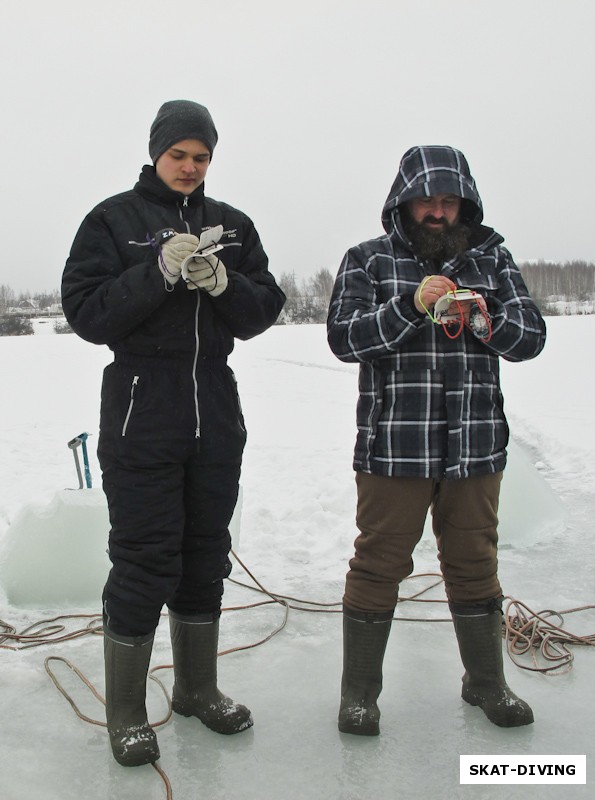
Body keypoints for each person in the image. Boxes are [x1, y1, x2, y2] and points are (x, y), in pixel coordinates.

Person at [61, 100, 285, 766]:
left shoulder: (234, 226)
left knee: (205, 553)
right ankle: (127, 712)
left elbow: (262, 309)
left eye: (202, 156)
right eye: (179, 154)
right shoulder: (114, 220)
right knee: (144, 559)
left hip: (214, 408)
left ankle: (197, 689)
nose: (190, 167)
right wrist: (155, 273)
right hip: (140, 406)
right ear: (157, 152)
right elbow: (86, 311)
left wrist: (224, 283)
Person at [327, 145, 545, 736]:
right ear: (404, 202)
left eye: (450, 201)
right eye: (427, 200)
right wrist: (410, 305)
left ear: (465, 205)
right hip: (394, 449)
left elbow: (531, 337)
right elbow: (344, 339)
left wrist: (482, 315)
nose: (438, 212)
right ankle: (359, 696)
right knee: (377, 565)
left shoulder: (492, 261)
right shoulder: (367, 261)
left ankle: (486, 683)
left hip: (475, 448)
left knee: (476, 564)